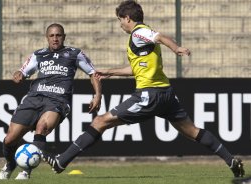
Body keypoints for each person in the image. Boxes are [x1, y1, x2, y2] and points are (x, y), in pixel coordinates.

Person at [42, 0, 244, 178]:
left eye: (120, 19)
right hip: (166, 94)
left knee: (100, 121)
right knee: (192, 131)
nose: (120, 24)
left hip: (149, 95)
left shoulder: (139, 32)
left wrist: (176, 48)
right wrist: (110, 72)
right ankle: (230, 160)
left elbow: (161, 37)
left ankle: (61, 161)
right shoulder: (141, 38)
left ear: (127, 18)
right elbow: (135, 68)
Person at [0, 23, 102, 180]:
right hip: (34, 98)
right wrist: (18, 74)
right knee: (10, 138)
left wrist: (97, 95)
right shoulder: (38, 54)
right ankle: (10, 163)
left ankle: (26, 170)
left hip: (58, 100)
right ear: (47, 38)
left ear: (64, 37)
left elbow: (93, 73)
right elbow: (23, 71)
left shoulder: (74, 53)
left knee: (42, 127)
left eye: (58, 35)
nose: (55, 39)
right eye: (52, 36)